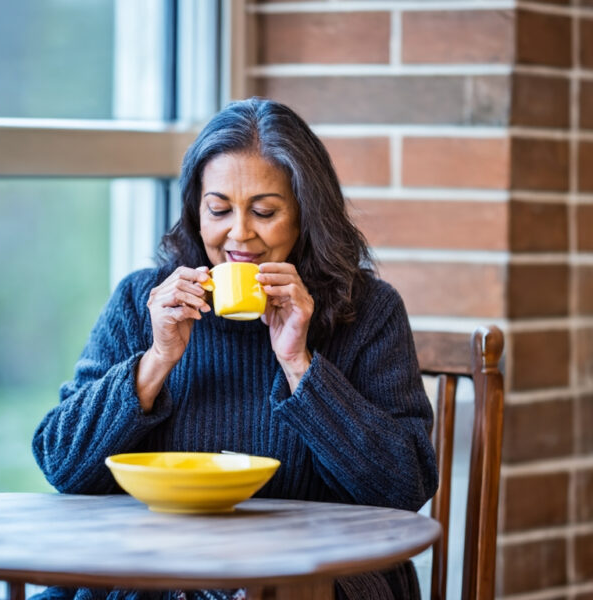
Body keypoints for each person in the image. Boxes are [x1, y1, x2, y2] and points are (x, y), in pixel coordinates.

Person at [31, 97, 438, 600]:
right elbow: (61, 463)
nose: (239, 234)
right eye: (219, 209)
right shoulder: (146, 300)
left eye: (264, 212)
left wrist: (298, 364)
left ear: (305, 216)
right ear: (196, 212)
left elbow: (405, 487)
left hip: (313, 576)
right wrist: (155, 362)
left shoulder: (369, 309)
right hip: (159, 568)